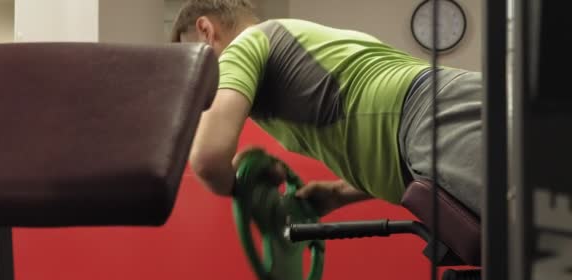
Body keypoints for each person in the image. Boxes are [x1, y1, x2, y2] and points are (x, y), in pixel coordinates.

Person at [171, 0, 483, 217]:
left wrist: (246, 190)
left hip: (436, 117)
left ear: (206, 31)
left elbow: (208, 160)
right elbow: (382, 132)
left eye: (194, 62)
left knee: (527, 240)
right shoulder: (282, 45)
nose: (200, 82)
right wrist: (337, 194)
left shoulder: (243, 47)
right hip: (439, 118)